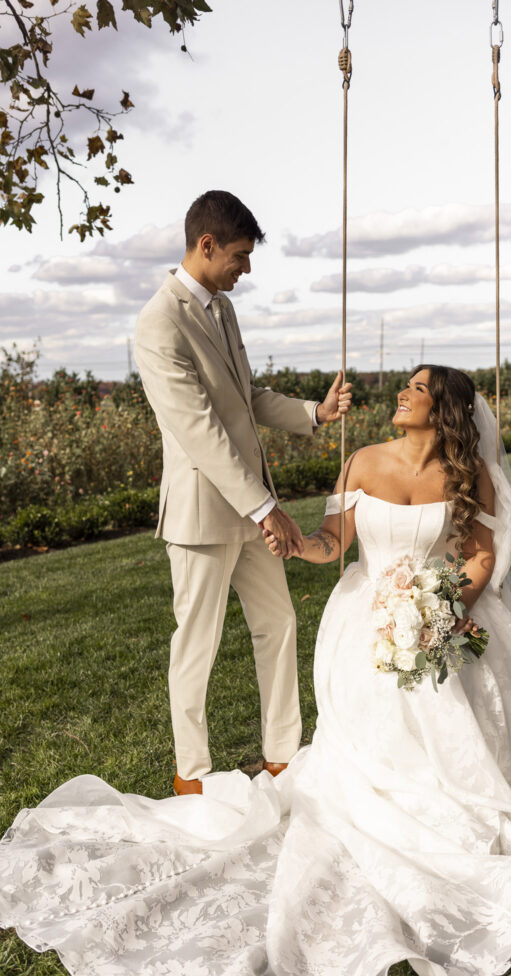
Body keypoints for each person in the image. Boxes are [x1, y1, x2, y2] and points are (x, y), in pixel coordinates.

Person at [0, 366, 511, 976]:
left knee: (459, 715)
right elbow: (330, 545)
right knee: (368, 726)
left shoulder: (468, 473)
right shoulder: (362, 462)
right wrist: (293, 541)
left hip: (444, 612)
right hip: (366, 617)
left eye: (417, 388)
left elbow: (480, 553)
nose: (401, 392)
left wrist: (447, 607)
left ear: (445, 408)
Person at [133, 190, 351, 795]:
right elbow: (199, 429)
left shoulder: (222, 310)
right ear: (206, 246)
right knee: (196, 644)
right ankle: (191, 776)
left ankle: (282, 757)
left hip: (254, 510)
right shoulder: (159, 321)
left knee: (278, 623)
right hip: (205, 513)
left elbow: (245, 400)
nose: (245, 268)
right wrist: (268, 508)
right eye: (240, 255)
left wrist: (315, 409)